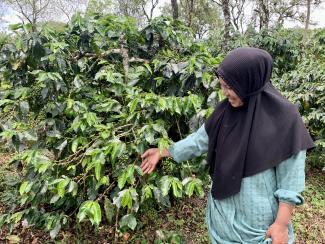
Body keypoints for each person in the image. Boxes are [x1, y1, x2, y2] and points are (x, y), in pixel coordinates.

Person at [140, 47, 314, 244]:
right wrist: (163, 152)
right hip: (222, 219)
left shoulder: (285, 119)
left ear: (249, 82)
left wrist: (281, 225)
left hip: (257, 226)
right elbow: (199, 140)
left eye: (231, 87)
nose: (225, 92)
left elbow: (291, 180)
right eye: (222, 86)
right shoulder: (225, 111)